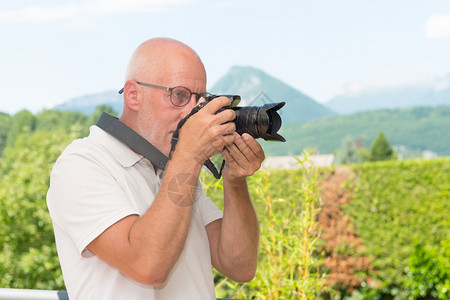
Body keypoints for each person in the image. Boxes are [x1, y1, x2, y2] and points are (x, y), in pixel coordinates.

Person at [47, 37, 264, 299]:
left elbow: (239, 266)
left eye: (200, 100)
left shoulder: (176, 169)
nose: (192, 114)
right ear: (133, 95)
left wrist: (234, 179)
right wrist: (189, 155)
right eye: (179, 96)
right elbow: (147, 266)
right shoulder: (82, 163)